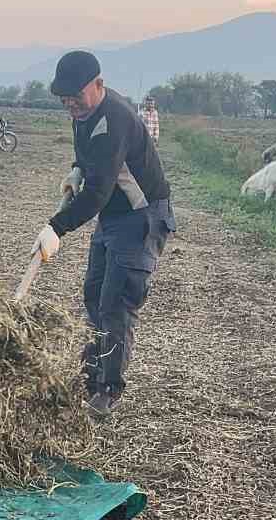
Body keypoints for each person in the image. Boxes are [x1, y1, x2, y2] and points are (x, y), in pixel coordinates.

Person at [32, 51, 176, 415]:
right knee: (94, 295)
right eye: (64, 99)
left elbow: (97, 194)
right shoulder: (82, 114)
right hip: (113, 216)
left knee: (116, 305)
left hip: (140, 218)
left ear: (98, 84)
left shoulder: (114, 119)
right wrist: (77, 169)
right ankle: (92, 373)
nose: (70, 105)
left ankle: (108, 390)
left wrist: (56, 227)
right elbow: (87, 157)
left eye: (76, 97)